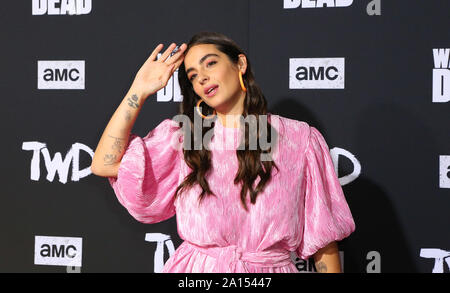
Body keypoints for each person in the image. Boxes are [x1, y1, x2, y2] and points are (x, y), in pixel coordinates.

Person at [90, 31, 355, 273]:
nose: (202, 77)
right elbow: (104, 163)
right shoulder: (186, 138)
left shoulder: (299, 139)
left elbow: (324, 245)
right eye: (193, 75)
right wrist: (139, 90)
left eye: (210, 63)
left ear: (240, 64)